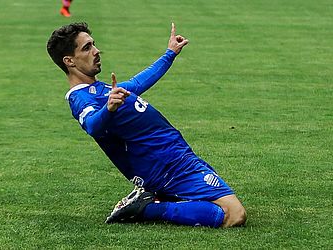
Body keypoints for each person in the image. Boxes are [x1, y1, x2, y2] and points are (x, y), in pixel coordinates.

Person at [46, 22, 247, 228]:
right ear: (69, 61)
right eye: (87, 48)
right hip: (167, 168)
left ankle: (157, 198)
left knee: (214, 203)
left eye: (94, 45)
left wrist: (170, 53)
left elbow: (138, 83)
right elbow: (92, 126)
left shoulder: (101, 89)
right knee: (233, 214)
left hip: (176, 157)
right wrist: (109, 108)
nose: (97, 51)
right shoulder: (80, 99)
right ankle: (147, 208)